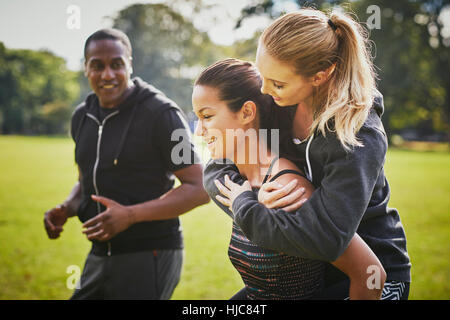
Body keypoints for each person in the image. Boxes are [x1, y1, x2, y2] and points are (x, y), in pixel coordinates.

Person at [207, 9, 411, 300]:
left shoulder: (358, 135)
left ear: (320, 75)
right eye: (262, 75)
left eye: (277, 83)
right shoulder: (274, 98)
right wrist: (255, 194)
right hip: (304, 273)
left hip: (370, 276)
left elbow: (327, 239)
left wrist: (248, 210)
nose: (263, 90)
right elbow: (217, 164)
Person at [194, 58, 386, 300]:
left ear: (246, 112)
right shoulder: (239, 180)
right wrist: (249, 202)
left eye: (207, 116)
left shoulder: (287, 189)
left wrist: (248, 207)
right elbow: (211, 173)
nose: (198, 131)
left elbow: (371, 274)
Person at [43, 28, 210, 300]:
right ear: (85, 68)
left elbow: (199, 187)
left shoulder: (163, 114)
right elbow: (87, 180)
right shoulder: (81, 116)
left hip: (150, 252)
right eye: (97, 65)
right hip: (99, 252)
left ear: (130, 65)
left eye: (117, 64)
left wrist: (130, 215)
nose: (107, 74)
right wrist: (67, 207)